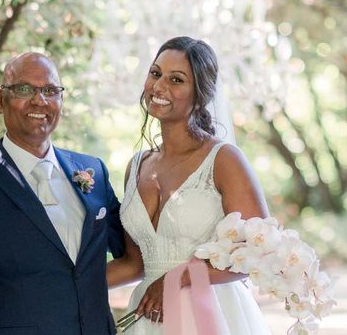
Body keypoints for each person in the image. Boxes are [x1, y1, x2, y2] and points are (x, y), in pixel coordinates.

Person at [0, 52, 125, 334]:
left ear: (61, 100)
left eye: (50, 90)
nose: (39, 100)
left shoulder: (92, 171)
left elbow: (134, 249)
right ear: (0, 100)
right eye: (24, 89)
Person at [107, 36, 271, 334]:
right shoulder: (137, 166)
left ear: (200, 94)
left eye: (176, 79)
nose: (159, 86)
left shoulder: (222, 160)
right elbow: (135, 263)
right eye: (155, 73)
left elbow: (256, 253)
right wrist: (63, 282)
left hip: (209, 315)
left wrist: (179, 276)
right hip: (147, 318)